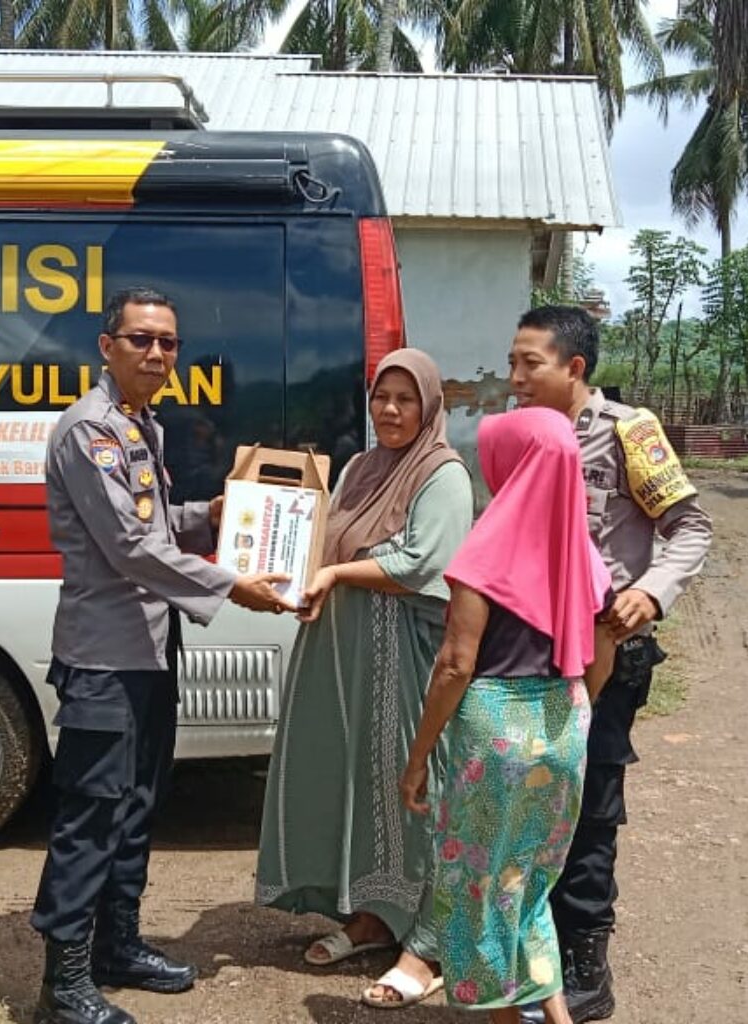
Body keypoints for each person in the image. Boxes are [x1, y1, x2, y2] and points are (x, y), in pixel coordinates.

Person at [31, 286, 295, 1024]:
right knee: (91, 815)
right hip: (104, 657)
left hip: (149, 651)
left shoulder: (143, 426)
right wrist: (231, 585)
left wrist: (209, 514)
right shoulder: (91, 432)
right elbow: (125, 547)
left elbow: (150, 523)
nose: (156, 352)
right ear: (106, 346)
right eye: (141, 339)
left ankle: (118, 944)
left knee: (137, 806)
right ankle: (64, 982)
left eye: (168, 342)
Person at [508, 306, 713, 1024]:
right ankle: (529, 960)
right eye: (512, 362)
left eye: (529, 364)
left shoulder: (629, 431)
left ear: (574, 367)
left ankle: (585, 971)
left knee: (590, 810)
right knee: (536, 805)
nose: (515, 378)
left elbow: (690, 527)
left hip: (605, 654)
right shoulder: (526, 436)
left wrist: (649, 596)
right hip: (529, 653)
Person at [255, 349, 473, 1009]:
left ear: (430, 406)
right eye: (382, 397)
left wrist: (335, 575)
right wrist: (302, 576)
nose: (390, 410)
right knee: (350, 779)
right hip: (340, 650)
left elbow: (420, 560)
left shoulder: (444, 475)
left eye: (406, 399)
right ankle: (375, 915)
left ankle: (428, 942)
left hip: (400, 654)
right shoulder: (358, 466)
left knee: (410, 787)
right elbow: (327, 536)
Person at [400, 408, 614, 1024]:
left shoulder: (483, 552)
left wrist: (418, 759)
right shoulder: (582, 552)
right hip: (564, 722)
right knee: (527, 882)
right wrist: (578, 710)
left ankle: (501, 1017)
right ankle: (554, 1013)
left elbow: (455, 664)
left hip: (495, 731)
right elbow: (605, 644)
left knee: (476, 889)